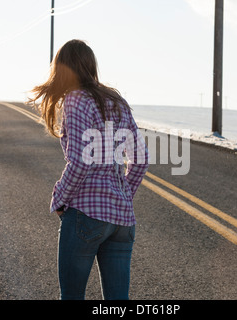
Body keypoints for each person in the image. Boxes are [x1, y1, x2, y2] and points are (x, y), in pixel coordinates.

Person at [28, 39, 149, 300]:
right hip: (122, 221)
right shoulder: (117, 101)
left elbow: (81, 161)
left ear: (61, 69)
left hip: (86, 214)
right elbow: (141, 159)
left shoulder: (76, 100)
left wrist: (59, 198)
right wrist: (122, 194)